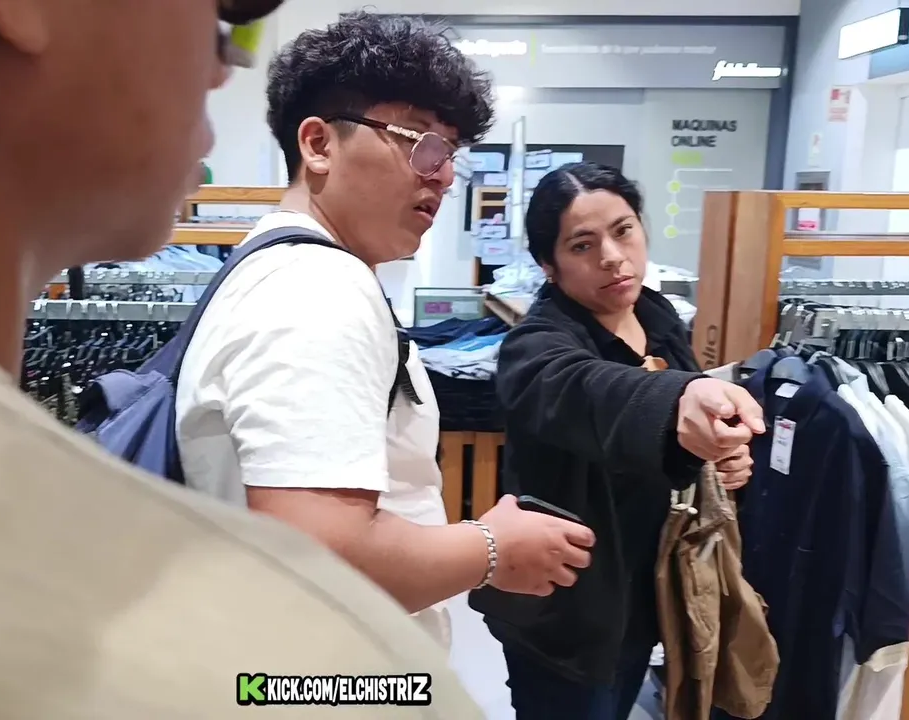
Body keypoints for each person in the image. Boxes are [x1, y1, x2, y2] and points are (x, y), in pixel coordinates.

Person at [0, 2, 487, 718]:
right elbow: (326, 554)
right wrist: (488, 552)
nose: (225, 66)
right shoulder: (283, 660)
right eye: (225, 15)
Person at [175, 11, 595, 648]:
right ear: (319, 145)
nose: (444, 175)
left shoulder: (280, 263)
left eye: (449, 152)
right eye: (420, 142)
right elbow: (320, 557)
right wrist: (491, 548)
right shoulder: (316, 288)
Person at [484, 162, 767, 719]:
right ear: (549, 266)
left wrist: (719, 455)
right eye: (582, 245)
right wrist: (678, 399)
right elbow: (589, 392)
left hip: (646, 592)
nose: (613, 257)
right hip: (566, 611)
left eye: (623, 230)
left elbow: (678, 442)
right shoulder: (534, 348)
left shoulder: (658, 318)